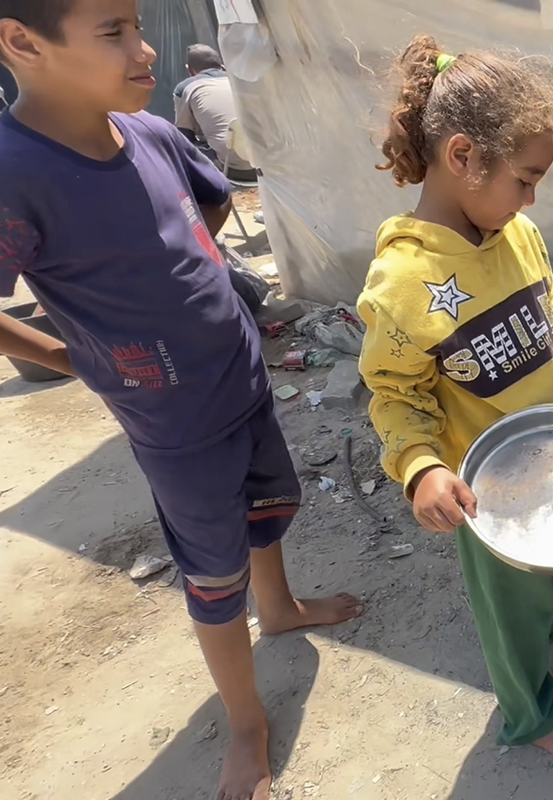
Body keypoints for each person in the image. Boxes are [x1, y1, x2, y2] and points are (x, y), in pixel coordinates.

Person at [0, 4, 361, 799]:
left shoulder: (153, 135)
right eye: (113, 33)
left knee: (264, 507)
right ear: (23, 42)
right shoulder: (15, 172)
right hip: (171, 423)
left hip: (240, 376)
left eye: (137, 25)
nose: (142, 51)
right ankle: (244, 722)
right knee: (211, 567)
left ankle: (285, 605)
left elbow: (211, 202)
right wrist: (65, 353)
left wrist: (187, 279)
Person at [357, 35, 553, 760]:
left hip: (550, 449)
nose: (533, 198)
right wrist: (422, 468)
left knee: (552, 565)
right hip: (488, 491)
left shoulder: (516, 231)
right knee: (509, 611)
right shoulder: (405, 283)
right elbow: (395, 395)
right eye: (525, 179)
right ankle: (531, 714)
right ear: (465, 157)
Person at [173, 43, 256, 182]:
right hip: (266, 165)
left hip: (231, 168)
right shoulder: (242, 81)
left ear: (190, 70)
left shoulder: (185, 88)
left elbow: (184, 136)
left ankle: (214, 199)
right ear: (222, 65)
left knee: (180, 145)